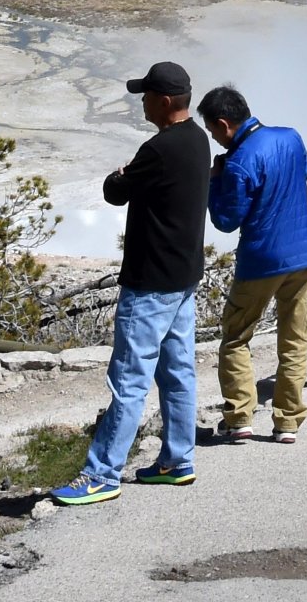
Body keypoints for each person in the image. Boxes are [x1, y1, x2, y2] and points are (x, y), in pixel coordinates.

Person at [54, 60, 211, 506]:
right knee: (178, 372)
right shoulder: (199, 141)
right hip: (183, 278)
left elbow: (113, 191)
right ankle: (177, 460)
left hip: (149, 284)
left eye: (145, 96)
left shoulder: (158, 150)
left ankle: (102, 473)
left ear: (164, 102)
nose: (141, 102)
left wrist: (121, 175)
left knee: (129, 378)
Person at [200, 84, 307, 443]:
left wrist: (214, 181)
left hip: (260, 259)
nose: (215, 139)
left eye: (212, 131)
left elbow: (226, 220)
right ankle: (287, 422)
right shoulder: (291, 137)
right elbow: (305, 173)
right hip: (301, 254)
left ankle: (239, 418)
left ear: (224, 124)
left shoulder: (237, 162)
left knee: (237, 335)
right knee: (295, 339)